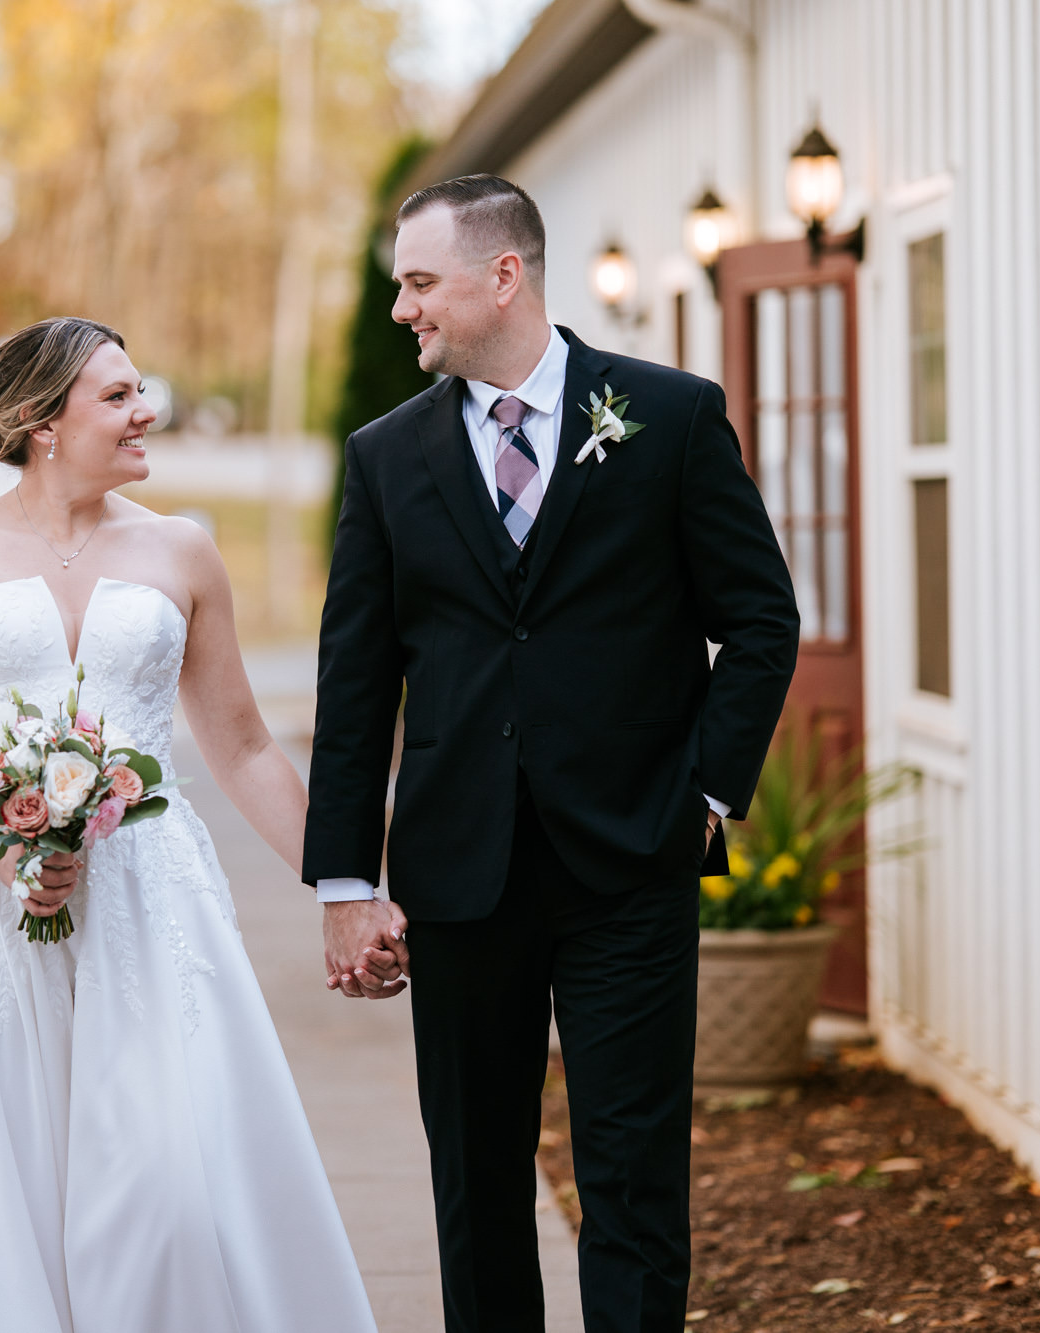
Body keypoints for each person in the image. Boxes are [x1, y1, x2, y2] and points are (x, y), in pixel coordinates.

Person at [305, 175, 799, 1331]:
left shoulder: (668, 417)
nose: (400, 311)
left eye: (418, 283)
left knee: (632, 1180)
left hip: (630, 862)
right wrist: (343, 879)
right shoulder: (385, 457)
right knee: (476, 1183)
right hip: (459, 872)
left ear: (502, 276)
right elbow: (356, 676)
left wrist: (705, 795)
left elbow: (760, 619)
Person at [0, 316, 377, 1332]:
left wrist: (347, 887)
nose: (147, 411)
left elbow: (246, 748)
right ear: (42, 422)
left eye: (142, 391)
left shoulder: (181, 550)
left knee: (168, 1186)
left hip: (147, 902)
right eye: (119, 396)